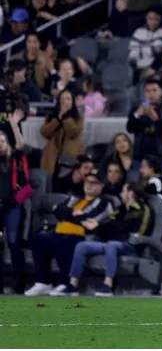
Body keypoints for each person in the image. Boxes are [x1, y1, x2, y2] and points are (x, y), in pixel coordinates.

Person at [27, 167, 114, 296]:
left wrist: (68, 214)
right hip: (60, 232)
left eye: (94, 183)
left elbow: (89, 221)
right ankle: (43, 282)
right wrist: (73, 213)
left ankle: (66, 283)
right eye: (87, 182)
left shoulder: (104, 202)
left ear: (101, 186)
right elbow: (57, 209)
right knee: (39, 239)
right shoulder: (75, 198)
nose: (89, 185)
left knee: (64, 240)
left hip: (84, 237)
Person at [65, 182, 153, 297]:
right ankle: (72, 285)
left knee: (112, 244)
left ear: (130, 193)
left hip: (130, 246)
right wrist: (96, 225)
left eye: (123, 191)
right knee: (81, 246)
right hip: (112, 243)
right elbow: (108, 225)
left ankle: (108, 285)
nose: (121, 194)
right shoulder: (119, 209)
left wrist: (117, 230)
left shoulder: (143, 209)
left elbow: (140, 232)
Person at [0, 110, 28, 294]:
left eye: (2, 141)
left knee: (13, 241)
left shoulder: (12, 158)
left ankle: (19, 282)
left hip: (11, 205)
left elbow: (20, 145)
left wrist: (14, 126)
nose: (0, 144)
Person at [126, 78, 162, 168]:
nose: (151, 94)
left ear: (161, 92)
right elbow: (130, 128)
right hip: (140, 157)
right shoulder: (137, 109)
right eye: (148, 91)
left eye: (154, 90)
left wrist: (156, 120)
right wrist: (137, 115)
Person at [39, 88, 84, 176]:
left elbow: (74, 133)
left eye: (68, 99)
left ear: (73, 102)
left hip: (71, 151)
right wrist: (58, 119)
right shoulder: (52, 116)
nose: (65, 102)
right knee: (50, 177)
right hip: (53, 152)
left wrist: (66, 117)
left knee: (67, 176)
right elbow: (44, 132)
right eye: (62, 99)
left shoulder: (78, 117)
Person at [129, 8, 162, 72]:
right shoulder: (138, 31)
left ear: (160, 19)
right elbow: (133, 49)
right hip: (138, 65)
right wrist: (134, 59)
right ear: (146, 18)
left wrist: (141, 49)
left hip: (155, 66)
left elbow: (156, 50)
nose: (153, 22)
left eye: (156, 19)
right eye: (150, 19)